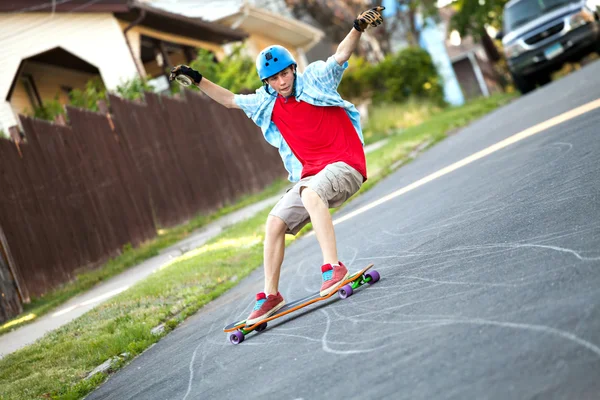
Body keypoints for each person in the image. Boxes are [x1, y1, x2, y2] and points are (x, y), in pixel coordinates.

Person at [169, 6, 385, 326]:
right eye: (273, 78)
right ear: (266, 81)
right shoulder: (266, 101)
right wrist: (198, 78)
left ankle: (332, 267)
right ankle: (271, 294)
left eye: (284, 74)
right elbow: (230, 99)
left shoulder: (315, 80)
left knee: (311, 194)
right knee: (274, 222)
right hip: (311, 174)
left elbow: (339, 55)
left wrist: (356, 28)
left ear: (293, 70)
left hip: (345, 164)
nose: (281, 82)